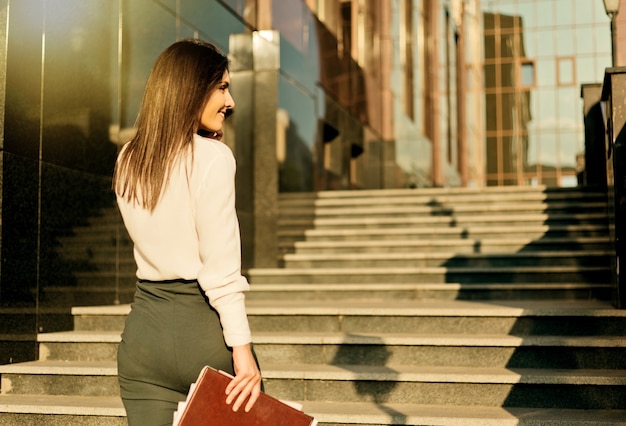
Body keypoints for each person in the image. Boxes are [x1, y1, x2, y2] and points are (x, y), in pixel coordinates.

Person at [113, 38, 262, 426]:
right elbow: (221, 270)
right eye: (223, 88)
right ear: (192, 88)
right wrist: (243, 351)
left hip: (144, 340)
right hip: (205, 336)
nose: (230, 103)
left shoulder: (128, 157)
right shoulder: (214, 159)